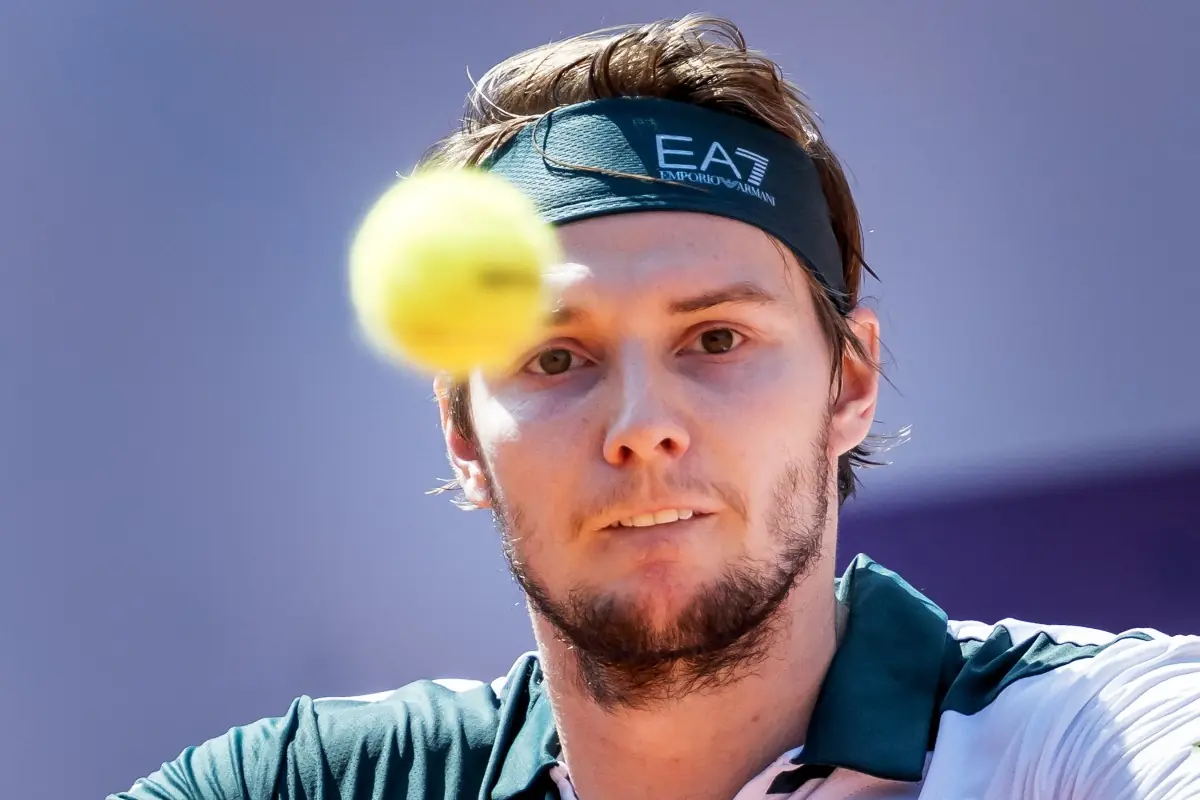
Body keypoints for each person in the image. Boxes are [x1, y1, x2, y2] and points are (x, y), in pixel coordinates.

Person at [112, 14, 1200, 800]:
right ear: (462, 435)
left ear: (849, 383)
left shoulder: (1083, 739)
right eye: (554, 357)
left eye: (716, 339)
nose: (641, 423)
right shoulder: (313, 781)